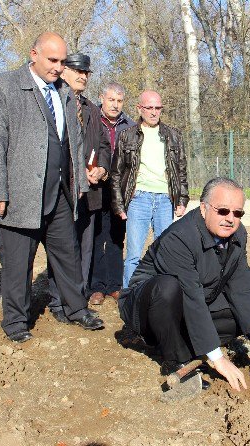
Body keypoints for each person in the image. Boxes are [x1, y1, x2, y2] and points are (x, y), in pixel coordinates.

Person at [0, 32, 103, 343]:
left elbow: (73, 142)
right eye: (52, 60)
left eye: (62, 62)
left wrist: (77, 184)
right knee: (18, 263)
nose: (58, 68)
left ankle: (77, 309)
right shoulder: (4, 86)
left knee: (68, 255)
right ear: (33, 54)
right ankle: (16, 322)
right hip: (19, 195)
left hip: (60, 193)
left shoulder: (63, 91)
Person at [118, 177, 250, 391]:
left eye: (237, 213)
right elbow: (191, 295)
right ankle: (176, 359)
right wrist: (217, 359)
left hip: (191, 301)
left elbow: (243, 286)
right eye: (222, 211)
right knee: (167, 288)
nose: (230, 218)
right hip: (147, 307)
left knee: (243, 319)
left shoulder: (238, 234)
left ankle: (187, 342)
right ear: (203, 208)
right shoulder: (180, 237)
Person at [46, 52, 111, 320]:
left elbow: (104, 146)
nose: (83, 76)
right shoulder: (53, 104)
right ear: (63, 71)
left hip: (89, 192)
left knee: (85, 248)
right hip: (61, 192)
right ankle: (58, 301)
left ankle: (78, 300)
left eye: (86, 73)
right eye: (77, 71)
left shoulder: (92, 110)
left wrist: (103, 168)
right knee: (61, 248)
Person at [110, 90, 189, 288]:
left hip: (165, 200)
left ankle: (161, 295)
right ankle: (128, 298)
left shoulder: (173, 135)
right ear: (139, 108)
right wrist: (119, 205)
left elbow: (181, 170)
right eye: (149, 107)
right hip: (139, 200)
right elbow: (116, 173)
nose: (154, 112)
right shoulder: (126, 136)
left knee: (165, 252)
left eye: (157, 108)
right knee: (134, 255)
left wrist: (181, 199)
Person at [88, 82, 135, 305]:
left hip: (120, 191)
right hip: (95, 187)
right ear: (102, 98)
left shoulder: (130, 126)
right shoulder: (91, 120)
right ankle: (96, 286)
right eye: (111, 100)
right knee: (96, 237)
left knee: (116, 238)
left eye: (119, 101)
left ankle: (114, 285)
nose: (115, 105)